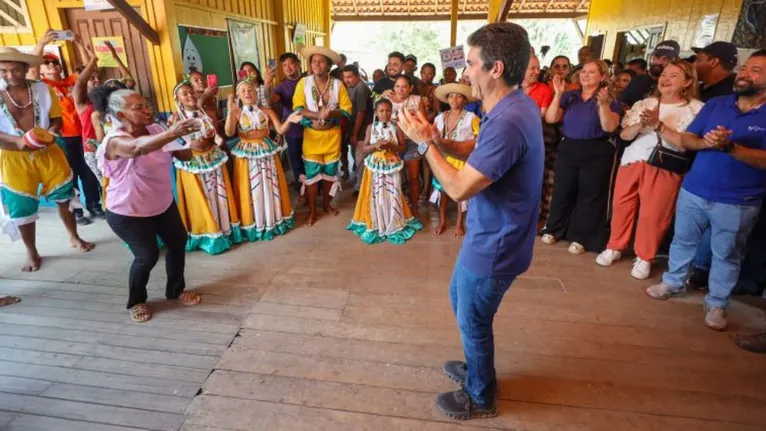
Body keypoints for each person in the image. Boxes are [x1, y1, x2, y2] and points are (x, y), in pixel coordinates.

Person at [397, 22, 543, 420]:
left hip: (498, 241)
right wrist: (439, 138)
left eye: (472, 64)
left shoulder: (509, 121)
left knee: (473, 317)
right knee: (461, 302)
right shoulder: (512, 105)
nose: (465, 74)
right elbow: (477, 151)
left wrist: (425, 144)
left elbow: (459, 188)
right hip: (490, 232)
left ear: (495, 68)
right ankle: (479, 369)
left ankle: (481, 395)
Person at [645, 50, 766, 332]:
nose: (745, 73)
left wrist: (731, 147)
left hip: (738, 200)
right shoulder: (717, 105)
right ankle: (674, 282)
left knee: (726, 253)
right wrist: (706, 143)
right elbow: (689, 138)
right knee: (683, 241)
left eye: (756, 70)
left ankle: (717, 303)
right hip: (694, 190)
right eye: (745, 68)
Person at [97, 89, 201, 322]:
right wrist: (172, 132)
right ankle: (137, 301)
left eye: (146, 105)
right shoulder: (114, 141)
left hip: (161, 204)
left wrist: (195, 141)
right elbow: (138, 148)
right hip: (127, 211)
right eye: (138, 108)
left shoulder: (157, 129)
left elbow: (184, 156)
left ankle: (175, 290)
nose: (147, 110)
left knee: (177, 242)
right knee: (147, 256)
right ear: (121, 115)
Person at [596, 60, 704, 279]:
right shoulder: (646, 102)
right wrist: (641, 124)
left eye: (673, 75)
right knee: (622, 204)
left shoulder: (696, 108)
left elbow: (688, 143)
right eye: (664, 74)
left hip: (665, 165)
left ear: (688, 81)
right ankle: (615, 246)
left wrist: (659, 126)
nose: (665, 78)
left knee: (654, 213)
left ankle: (645, 256)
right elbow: (624, 135)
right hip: (632, 160)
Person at [0, 47, 95, 272]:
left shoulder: (42, 89)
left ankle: (73, 236)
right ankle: (31, 251)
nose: (10, 75)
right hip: (13, 158)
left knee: (64, 195)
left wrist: (50, 132)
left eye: (15, 69)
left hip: (49, 151)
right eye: (3, 70)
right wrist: (17, 141)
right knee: (21, 206)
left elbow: (56, 120)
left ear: (25, 69)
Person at [541, 60, 622, 254]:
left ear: (602, 77)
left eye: (591, 72)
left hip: (596, 150)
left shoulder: (611, 100)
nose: (585, 75)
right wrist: (558, 94)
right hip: (569, 146)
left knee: (590, 195)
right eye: (583, 71)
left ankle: (582, 237)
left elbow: (609, 127)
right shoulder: (571, 96)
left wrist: (603, 105)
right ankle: (555, 229)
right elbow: (551, 118)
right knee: (563, 190)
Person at [684, 42, 740, 290]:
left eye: (699, 58)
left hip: (728, 178)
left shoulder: (730, 95)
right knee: (690, 230)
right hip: (698, 170)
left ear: (714, 61)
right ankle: (685, 272)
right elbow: (691, 135)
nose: (695, 64)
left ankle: (703, 272)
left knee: (720, 238)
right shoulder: (710, 93)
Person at [34, 30, 103, 225]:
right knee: (68, 176)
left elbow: (89, 68)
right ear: (41, 70)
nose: (51, 65)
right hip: (62, 137)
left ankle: (94, 205)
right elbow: (31, 67)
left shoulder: (71, 81)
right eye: (47, 63)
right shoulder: (42, 85)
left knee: (89, 171)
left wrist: (79, 42)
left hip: (82, 135)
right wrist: (42, 43)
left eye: (54, 62)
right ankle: (76, 211)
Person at [171, 79, 242, 254]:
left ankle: (224, 230)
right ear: (178, 99)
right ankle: (207, 234)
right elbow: (175, 143)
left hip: (212, 157)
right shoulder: (176, 118)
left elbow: (216, 136)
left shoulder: (207, 114)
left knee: (218, 196)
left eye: (191, 92)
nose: (189, 96)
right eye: (184, 94)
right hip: (192, 163)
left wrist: (216, 138)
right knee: (200, 198)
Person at [225, 77, 300, 239]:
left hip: (266, 151)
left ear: (256, 93)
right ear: (238, 94)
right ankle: (254, 222)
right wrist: (230, 111)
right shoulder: (237, 112)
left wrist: (289, 120)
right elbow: (229, 132)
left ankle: (271, 219)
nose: (247, 93)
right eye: (243, 90)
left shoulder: (267, 111)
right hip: (246, 153)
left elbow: (280, 130)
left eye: (250, 90)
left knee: (268, 186)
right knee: (250, 187)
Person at [347, 98, 423, 244]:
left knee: (392, 192)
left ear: (391, 112)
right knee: (376, 193)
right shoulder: (371, 127)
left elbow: (402, 147)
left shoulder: (396, 127)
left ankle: (392, 220)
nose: (384, 114)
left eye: (388, 110)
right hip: (375, 166)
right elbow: (364, 148)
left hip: (391, 164)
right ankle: (377, 220)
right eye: (381, 111)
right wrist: (376, 146)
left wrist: (390, 146)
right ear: (376, 112)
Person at [293, 46, 352, 226]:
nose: (316, 64)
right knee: (311, 177)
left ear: (328, 65)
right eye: (313, 61)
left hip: (332, 138)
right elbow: (298, 107)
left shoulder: (338, 84)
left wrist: (331, 115)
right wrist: (317, 116)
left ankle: (326, 205)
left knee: (329, 175)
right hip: (311, 138)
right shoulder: (304, 83)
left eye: (321, 61)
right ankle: (312, 211)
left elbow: (347, 110)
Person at [431, 83, 480, 236]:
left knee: (460, 193)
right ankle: (443, 220)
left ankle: (459, 222)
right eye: (451, 96)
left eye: (459, 96)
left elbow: (478, 139)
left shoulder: (472, 118)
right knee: (443, 192)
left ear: (464, 100)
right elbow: (433, 138)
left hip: (462, 160)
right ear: (447, 99)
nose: (454, 99)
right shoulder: (440, 117)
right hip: (444, 159)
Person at [387, 75, 428, 217]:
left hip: (412, 142)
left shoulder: (417, 100)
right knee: (394, 176)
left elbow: (424, 124)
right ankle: (398, 208)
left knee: (413, 177)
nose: (400, 90)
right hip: (393, 143)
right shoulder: (386, 101)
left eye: (404, 86)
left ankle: (415, 208)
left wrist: (410, 119)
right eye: (397, 86)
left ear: (410, 88)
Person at [272, 52, 306, 198]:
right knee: (296, 162)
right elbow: (270, 102)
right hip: (292, 131)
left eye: (291, 63)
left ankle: (316, 188)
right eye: (284, 65)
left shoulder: (308, 80)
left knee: (313, 160)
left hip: (312, 128)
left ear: (298, 64)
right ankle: (301, 191)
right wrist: (267, 83)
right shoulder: (280, 87)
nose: (288, 67)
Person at [621, 40, 680, 107]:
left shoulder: (677, 85)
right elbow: (623, 105)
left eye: (665, 59)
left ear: (676, 60)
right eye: (655, 58)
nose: (658, 62)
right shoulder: (636, 81)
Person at [341, 64, 372, 190]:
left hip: (362, 130)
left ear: (357, 76)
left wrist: (354, 134)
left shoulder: (361, 88)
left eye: (349, 77)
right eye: (344, 77)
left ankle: (361, 188)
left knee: (360, 159)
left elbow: (361, 112)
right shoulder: (350, 87)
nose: (346, 80)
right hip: (353, 128)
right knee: (356, 156)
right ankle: (359, 183)